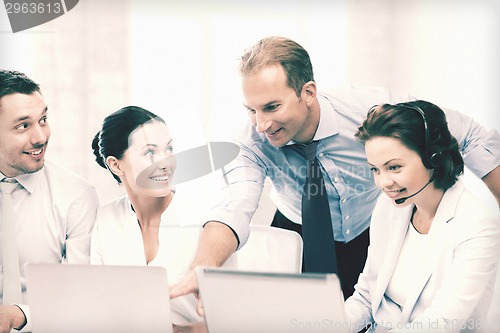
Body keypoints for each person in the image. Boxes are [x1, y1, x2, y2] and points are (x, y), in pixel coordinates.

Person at [169, 36, 500, 304]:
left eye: (272, 107)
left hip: (372, 227)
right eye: (251, 110)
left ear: (308, 93)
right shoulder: (251, 143)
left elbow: (469, 134)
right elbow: (235, 206)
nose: (261, 124)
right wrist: (204, 266)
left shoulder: (368, 109)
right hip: (299, 231)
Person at [342, 100, 500, 332]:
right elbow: (367, 296)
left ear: (433, 158)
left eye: (394, 167)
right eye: (375, 169)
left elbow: (442, 323)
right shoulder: (390, 206)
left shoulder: (477, 224)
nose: (383, 182)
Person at [0, 69, 99, 332]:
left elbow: (82, 298)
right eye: (23, 126)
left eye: (43, 120)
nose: (41, 137)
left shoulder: (77, 197)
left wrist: (20, 316)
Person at [90, 106, 202, 325]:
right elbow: (100, 302)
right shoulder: (107, 218)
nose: (165, 164)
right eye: (150, 152)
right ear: (115, 165)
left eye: (169, 149)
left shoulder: (203, 217)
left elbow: (230, 314)